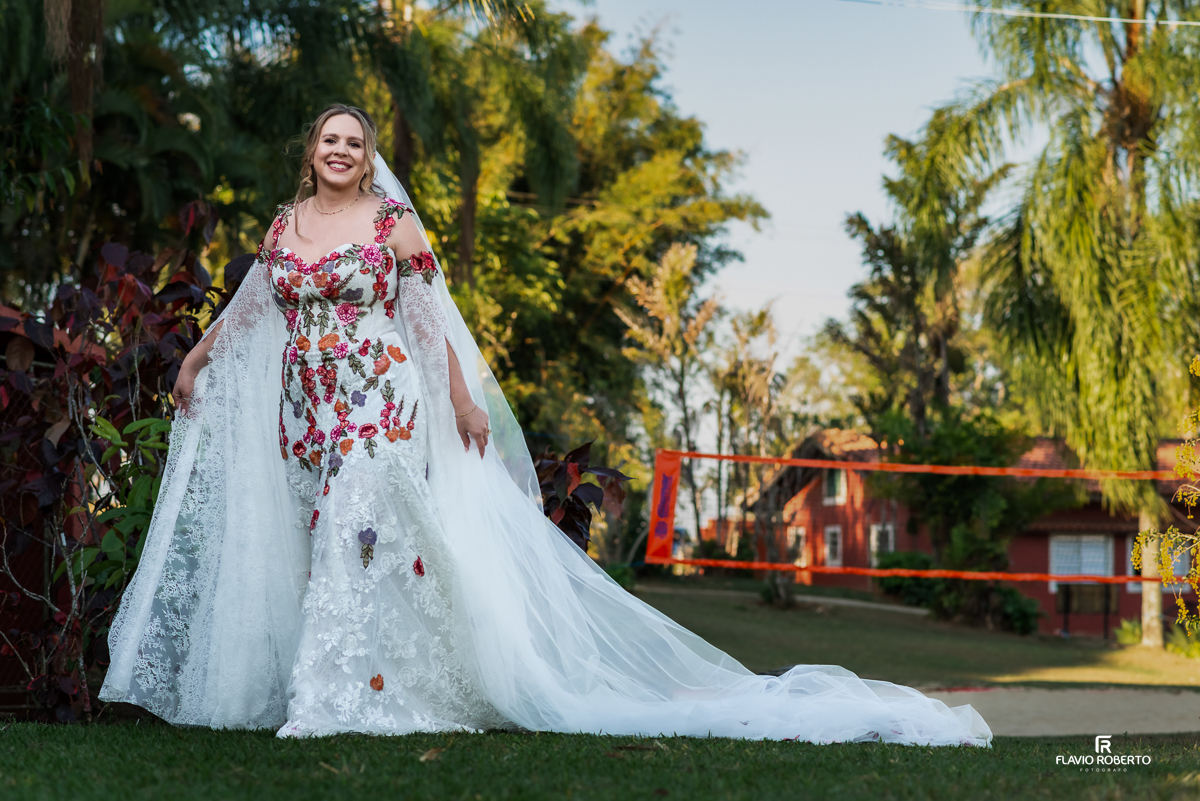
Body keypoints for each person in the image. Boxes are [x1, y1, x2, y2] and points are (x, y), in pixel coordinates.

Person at [100, 104, 991, 746]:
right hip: (309, 408)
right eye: (329, 140)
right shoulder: (285, 226)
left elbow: (428, 319)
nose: (340, 151)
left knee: (354, 529)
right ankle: (377, 678)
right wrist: (195, 358)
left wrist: (456, 398)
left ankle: (329, 698)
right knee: (336, 537)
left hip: (380, 393)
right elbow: (255, 306)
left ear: (369, 158)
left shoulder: (392, 222)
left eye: (354, 141)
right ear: (311, 152)